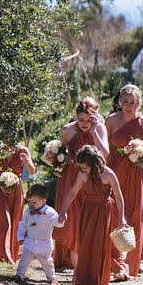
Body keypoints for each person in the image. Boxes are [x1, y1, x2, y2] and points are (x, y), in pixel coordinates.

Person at [57, 145, 126, 285]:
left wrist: (121, 217)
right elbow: (72, 192)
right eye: (81, 167)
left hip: (103, 212)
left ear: (94, 163)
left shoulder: (108, 174)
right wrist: (63, 211)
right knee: (85, 244)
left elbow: (118, 196)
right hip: (87, 210)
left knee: (98, 245)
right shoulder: (83, 175)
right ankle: (83, 279)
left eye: (85, 167)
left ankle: (93, 282)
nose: (82, 170)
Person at [51, 97, 108, 271]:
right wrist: (59, 160)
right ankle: (77, 267)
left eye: (89, 120)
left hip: (91, 179)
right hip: (70, 179)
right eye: (81, 119)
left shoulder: (100, 128)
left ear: (95, 118)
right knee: (73, 222)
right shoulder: (67, 130)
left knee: (88, 220)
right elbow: (59, 156)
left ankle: (87, 264)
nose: (84, 124)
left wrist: (94, 131)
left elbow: (105, 153)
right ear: (76, 116)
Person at [105, 84, 143, 278]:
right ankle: (116, 261)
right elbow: (104, 146)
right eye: (125, 102)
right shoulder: (111, 120)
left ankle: (133, 261)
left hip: (137, 174)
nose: (128, 106)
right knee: (116, 213)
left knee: (137, 216)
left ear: (138, 103)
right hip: (116, 173)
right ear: (120, 101)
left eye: (132, 102)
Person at [0, 142, 36, 264]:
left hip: (16, 191)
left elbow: (32, 171)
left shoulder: (22, 150)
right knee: (1, 223)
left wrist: (27, 162)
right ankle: (2, 257)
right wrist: (0, 185)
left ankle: (11, 256)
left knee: (15, 223)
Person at [14, 183, 64, 285]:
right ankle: (19, 275)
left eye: (34, 202)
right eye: (29, 202)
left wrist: (60, 220)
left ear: (43, 201)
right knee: (24, 260)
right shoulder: (27, 211)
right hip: (29, 242)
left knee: (47, 262)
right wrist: (21, 237)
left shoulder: (50, 211)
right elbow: (22, 224)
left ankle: (52, 278)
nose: (31, 204)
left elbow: (56, 222)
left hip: (44, 243)